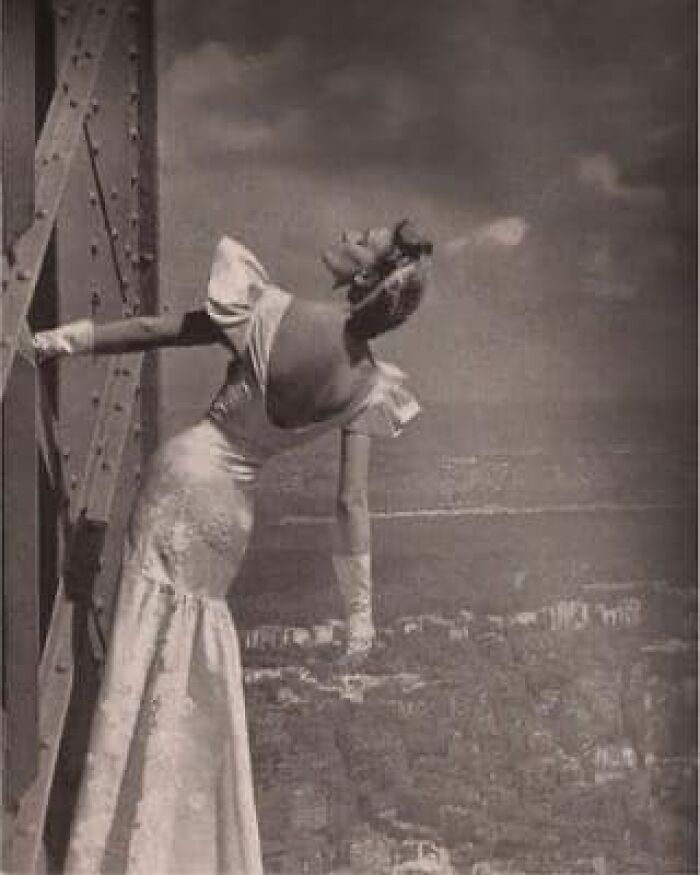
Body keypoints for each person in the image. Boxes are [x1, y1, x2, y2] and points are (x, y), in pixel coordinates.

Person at [33, 221, 431, 874]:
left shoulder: (265, 306)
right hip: (232, 517)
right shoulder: (371, 387)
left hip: (183, 477)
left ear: (364, 276)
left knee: (143, 640)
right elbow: (350, 504)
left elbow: (158, 329)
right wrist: (359, 611)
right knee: (191, 662)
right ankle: (156, 844)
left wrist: (59, 340)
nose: (350, 231)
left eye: (365, 235)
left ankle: (107, 832)